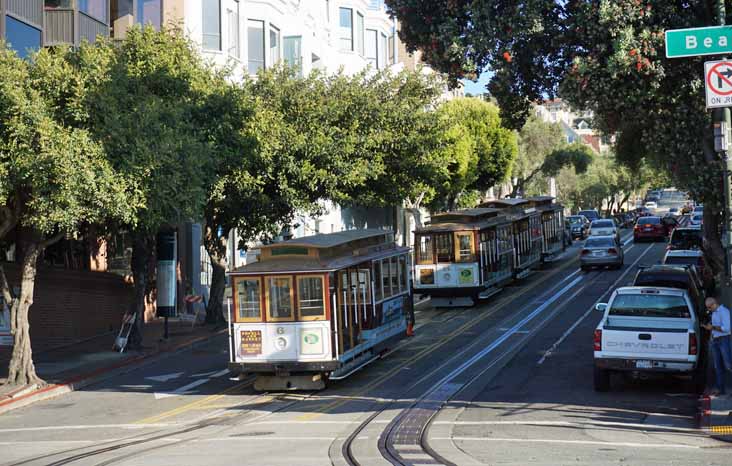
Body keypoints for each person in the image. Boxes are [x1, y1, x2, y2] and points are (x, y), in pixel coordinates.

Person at [703, 297, 732, 395]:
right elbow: (715, 327)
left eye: (709, 307)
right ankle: (720, 389)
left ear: (714, 303)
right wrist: (709, 328)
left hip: (724, 339)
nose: (709, 310)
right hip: (715, 339)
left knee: (729, 364)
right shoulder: (714, 312)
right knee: (718, 366)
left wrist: (713, 327)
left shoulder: (724, 312)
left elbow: (726, 329)